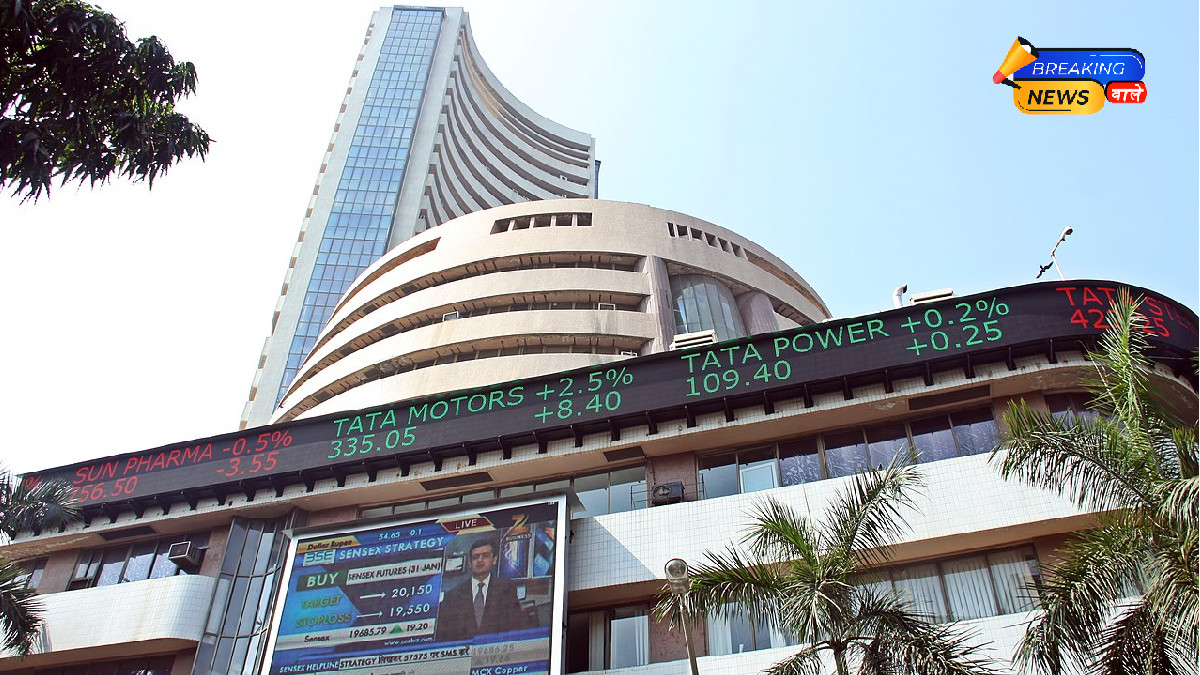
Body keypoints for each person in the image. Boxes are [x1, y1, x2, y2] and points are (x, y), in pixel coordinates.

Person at [436, 539, 530, 642]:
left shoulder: (507, 588)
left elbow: (515, 626)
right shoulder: (453, 596)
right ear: (470, 563)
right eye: (475, 557)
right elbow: (444, 634)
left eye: (485, 556)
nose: (480, 560)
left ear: (494, 560)